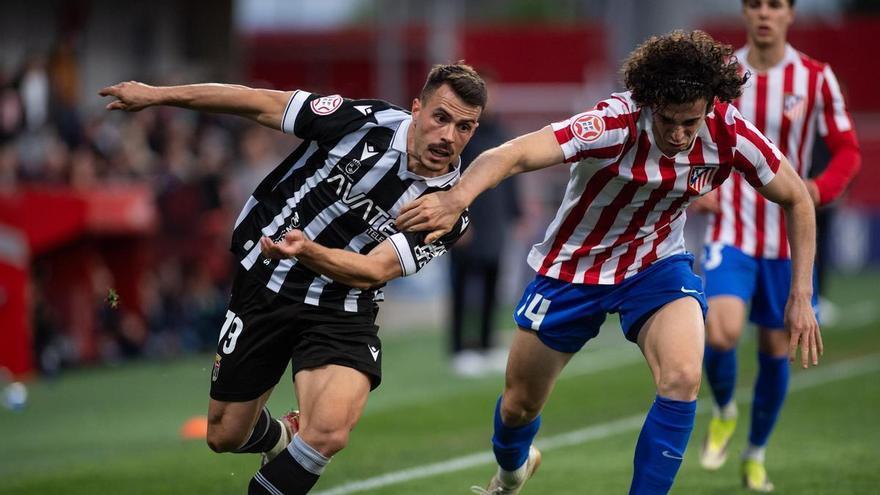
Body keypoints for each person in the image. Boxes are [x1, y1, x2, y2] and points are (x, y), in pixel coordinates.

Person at [397, 30, 821, 495]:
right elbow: (514, 154)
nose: (680, 135)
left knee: (682, 377)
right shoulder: (612, 123)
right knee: (520, 405)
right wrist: (457, 198)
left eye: (691, 122)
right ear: (648, 102)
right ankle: (512, 472)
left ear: (710, 107)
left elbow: (797, 198)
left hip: (655, 265)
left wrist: (800, 294)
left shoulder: (730, 132)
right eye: (669, 121)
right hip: (572, 269)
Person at [99, 63, 485, 495]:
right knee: (224, 434)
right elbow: (262, 103)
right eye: (441, 118)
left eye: (465, 127)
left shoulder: (448, 210)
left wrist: (308, 250)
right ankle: (281, 438)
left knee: (329, 431)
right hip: (266, 279)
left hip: (343, 305)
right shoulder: (362, 122)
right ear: (417, 109)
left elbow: (375, 270)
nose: (449, 136)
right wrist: (157, 94)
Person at [691, 0, 861, 491]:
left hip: (787, 239)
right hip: (732, 228)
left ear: (790, 14)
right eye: (755, 4)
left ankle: (755, 452)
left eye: (776, 5)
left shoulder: (815, 77)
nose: (765, 13)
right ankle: (723, 408)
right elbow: (689, 132)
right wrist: (701, 185)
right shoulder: (722, 74)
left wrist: (817, 190)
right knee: (720, 334)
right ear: (745, 13)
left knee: (774, 347)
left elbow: (848, 150)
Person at [448, 78, 521, 377]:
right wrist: (456, 223)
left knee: (493, 286)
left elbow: (512, 175)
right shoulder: (461, 137)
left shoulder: (501, 134)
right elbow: (448, 180)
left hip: (496, 224)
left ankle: (487, 344)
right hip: (466, 224)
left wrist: (515, 215)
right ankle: (459, 349)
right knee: (462, 287)